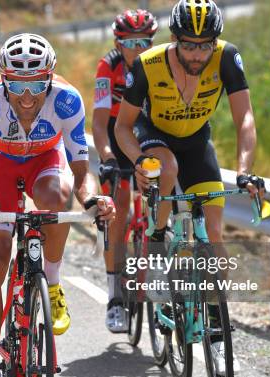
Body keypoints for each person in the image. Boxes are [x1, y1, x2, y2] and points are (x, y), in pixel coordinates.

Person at [116, 0, 266, 375]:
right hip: (154, 138)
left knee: (213, 234)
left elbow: (244, 117)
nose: (198, 54)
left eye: (205, 45)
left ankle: (216, 332)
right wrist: (138, 161)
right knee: (168, 166)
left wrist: (245, 172)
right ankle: (157, 239)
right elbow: (122, 127)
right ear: (173, 39)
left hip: (198, 142)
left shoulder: (227, 57)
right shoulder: (148, 64)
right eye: (189, 45)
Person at [0, 33, 115, 377]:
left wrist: (94, 199)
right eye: (17, 84)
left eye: (36, 84)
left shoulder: (66, 101)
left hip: (44, 163)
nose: (28, 96)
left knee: (55, 195)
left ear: (50, 76)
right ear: (3, 78)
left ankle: (51, 282)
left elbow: (82, 172)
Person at [93, 9, 158, 334]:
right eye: (130, 42)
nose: (138, 48)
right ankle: (115, 297)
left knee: (159, 204)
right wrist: (105, 155)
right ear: (118, 43)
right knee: (117, 214)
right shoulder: (109, 66)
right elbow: (100, 121)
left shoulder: (160, 63)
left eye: (144, 41)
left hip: (147, 135)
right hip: (117, 138)